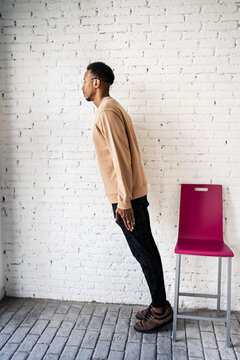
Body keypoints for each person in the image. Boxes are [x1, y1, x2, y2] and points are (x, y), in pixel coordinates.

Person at [82, 61, 173, 333]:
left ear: (97, 82)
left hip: (127, 198)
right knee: (143, 250)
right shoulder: (112, 107)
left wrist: (123, 202)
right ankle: (160, 304)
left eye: (85, 79)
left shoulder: (107, 112)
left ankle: (160, 310)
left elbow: (120, 159)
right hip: (129, 195)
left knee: (144, 251)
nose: (83, 85)